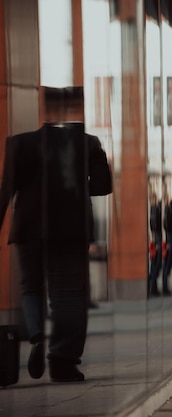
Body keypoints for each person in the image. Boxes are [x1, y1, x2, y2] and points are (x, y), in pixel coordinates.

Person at [0, 86, 112, 382]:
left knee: (31, 288)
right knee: (68, 296)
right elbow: (103, 185)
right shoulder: (88, 143)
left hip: (27, 226)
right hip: (69, 228)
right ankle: (62, 361)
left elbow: (5, 192)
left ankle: (37, 337)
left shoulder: (19, 144)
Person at [148, 191, 163, 296]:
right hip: (157, 238)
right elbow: (157, 225)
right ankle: (153, 286)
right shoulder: (156, 210)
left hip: (153, 238)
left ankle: (153, 287)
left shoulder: (152, 210)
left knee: (154, 264)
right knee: (157, 264)